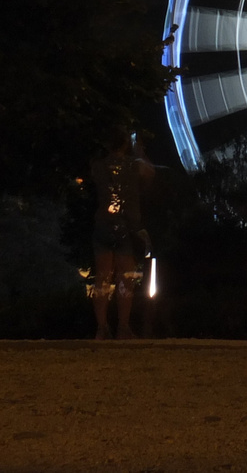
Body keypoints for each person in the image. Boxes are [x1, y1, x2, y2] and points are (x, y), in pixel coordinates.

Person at [87, 126, 155, 340]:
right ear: (126, 144)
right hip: (126, 227)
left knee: (102, 278)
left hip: (103, 225)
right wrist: (139, 152)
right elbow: (150, 172)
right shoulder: (133, 166)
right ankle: (123, 327)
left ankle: (101, 327)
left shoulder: (98, 167)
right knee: (126, 278)